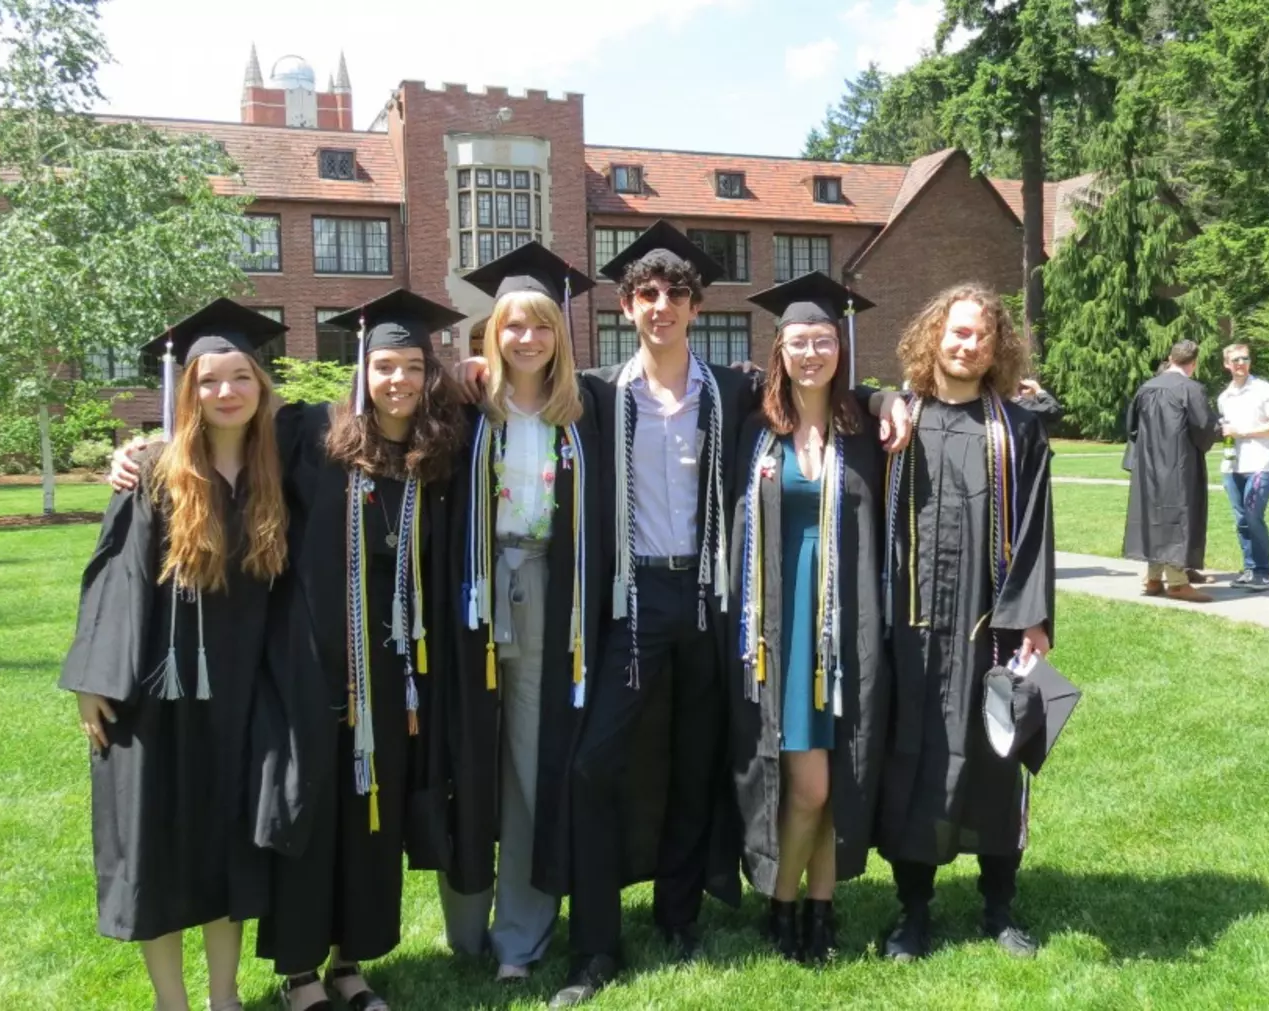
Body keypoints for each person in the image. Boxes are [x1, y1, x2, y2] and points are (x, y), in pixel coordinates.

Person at [543, 222, 910, 1008]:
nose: (662, 306)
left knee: (695, 759)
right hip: (633, 598)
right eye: (648, 294)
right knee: (593, 762)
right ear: (626, 304)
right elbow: (521, 392)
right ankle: (595, 944)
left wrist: (888, 398)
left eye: (677, 293)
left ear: (696, 303)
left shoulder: (730, 390)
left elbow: (818, 391)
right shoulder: (599, 395)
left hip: (710, 601)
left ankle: (678, 916)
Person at [58, 299, 290, 1011]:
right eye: (211, 380)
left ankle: (224, 996)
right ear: (188, 389)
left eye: (241, 377)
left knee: (228, 847)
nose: (227, 392)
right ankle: (172, 1001)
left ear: (261, 385)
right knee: (155, 849)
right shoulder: (155, 470)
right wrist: (93, 682)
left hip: (239, 696)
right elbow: (111, 577)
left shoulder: (278, 469)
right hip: (153, 697)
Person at [256, 289, 466, 1011]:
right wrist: (145, 448)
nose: (398, 380)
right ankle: (299, 973)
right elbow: (226, 455)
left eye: (412, 366)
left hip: (395, 671)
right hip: (315, 660)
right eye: (384, 366)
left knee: (373, 812)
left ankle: (351, 963)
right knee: (314, 810)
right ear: (361, 370)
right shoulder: (310, 435)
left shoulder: (432, 455)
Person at [438, 243, 606, 983]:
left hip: (548, 597)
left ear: (560, 336)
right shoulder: (464, 408)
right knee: (472, 757)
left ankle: (522, 934)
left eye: (542, 326)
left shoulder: (587, 410)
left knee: (532, 766)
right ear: (491, 334)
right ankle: (468, 927)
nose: (528, 338)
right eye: (513, 326)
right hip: (470, 599)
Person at [875, 282, 1054, 963]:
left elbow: (1038, 527)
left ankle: (999, 908)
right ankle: (912, 911)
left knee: (995, 758)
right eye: (955, 331)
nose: (966, 342)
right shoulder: (899, 420)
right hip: (911, 626)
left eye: (979, 334)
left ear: (996, 345)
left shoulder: (1017, 428)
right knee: (911, 759)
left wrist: (1033, 617)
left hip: (991, 625)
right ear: (932, 336)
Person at [727, 272, 889, 965]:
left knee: (836, 777)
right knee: (809, 781)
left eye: (824, 339)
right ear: (780, 351)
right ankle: (783, 900)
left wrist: (890, 398)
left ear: (840, 347)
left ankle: (817, 909)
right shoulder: (755, 427)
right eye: (799, 341)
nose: (812, 352)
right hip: (784, 627)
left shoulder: (867, 430)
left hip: (849, 620)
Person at [1122, 341, 1218, 603]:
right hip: (1179, 466)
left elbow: (1131, 428)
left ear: (1170, 358)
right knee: (1178, 518)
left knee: (1154, 517)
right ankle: (1176, 583)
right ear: (1194, 363)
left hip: (1148, 466)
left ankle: (1153, 579)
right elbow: (1202, 428)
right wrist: (1221, 429)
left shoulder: (1146, 388)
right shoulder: (1191, 389)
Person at [1216, 343, 1269, 589]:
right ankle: (1249, 568)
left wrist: (1243, 432)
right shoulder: (1224, 397)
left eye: (1244, 359)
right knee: (1241, 519)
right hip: (1232, 466)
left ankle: (1263, 571)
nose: (1240, 363)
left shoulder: (1265, 390)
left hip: (1260, 463)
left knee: (1253, 515)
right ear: (1226, 364)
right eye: (1235, 360)